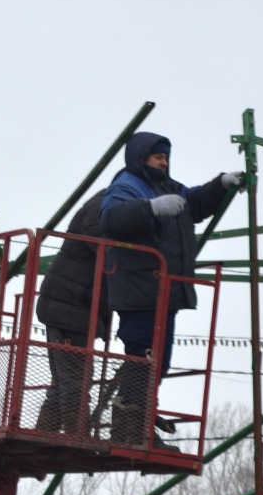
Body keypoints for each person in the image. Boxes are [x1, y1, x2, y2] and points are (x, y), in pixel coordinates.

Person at [99, 132, 242, 445]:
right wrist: (149, 208)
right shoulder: (127, 185)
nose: (164, 162)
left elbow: (194, 203)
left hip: (163, 290)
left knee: (157, 361)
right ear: (141, 158)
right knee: (143, 357)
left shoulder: (167, 188)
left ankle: (139, 424)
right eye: (157, 157)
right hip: (141, 289)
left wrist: (220, 185)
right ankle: (130, 429)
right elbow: (112, 219)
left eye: (166, 157)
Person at [33, 188, 112, 436]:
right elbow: (105, 249)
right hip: (71, 306)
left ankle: (45, 435)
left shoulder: (102, 204)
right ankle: (76, 435)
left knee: (65, 380)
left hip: (67, 303)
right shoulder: (102, 208)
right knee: (75, 379)